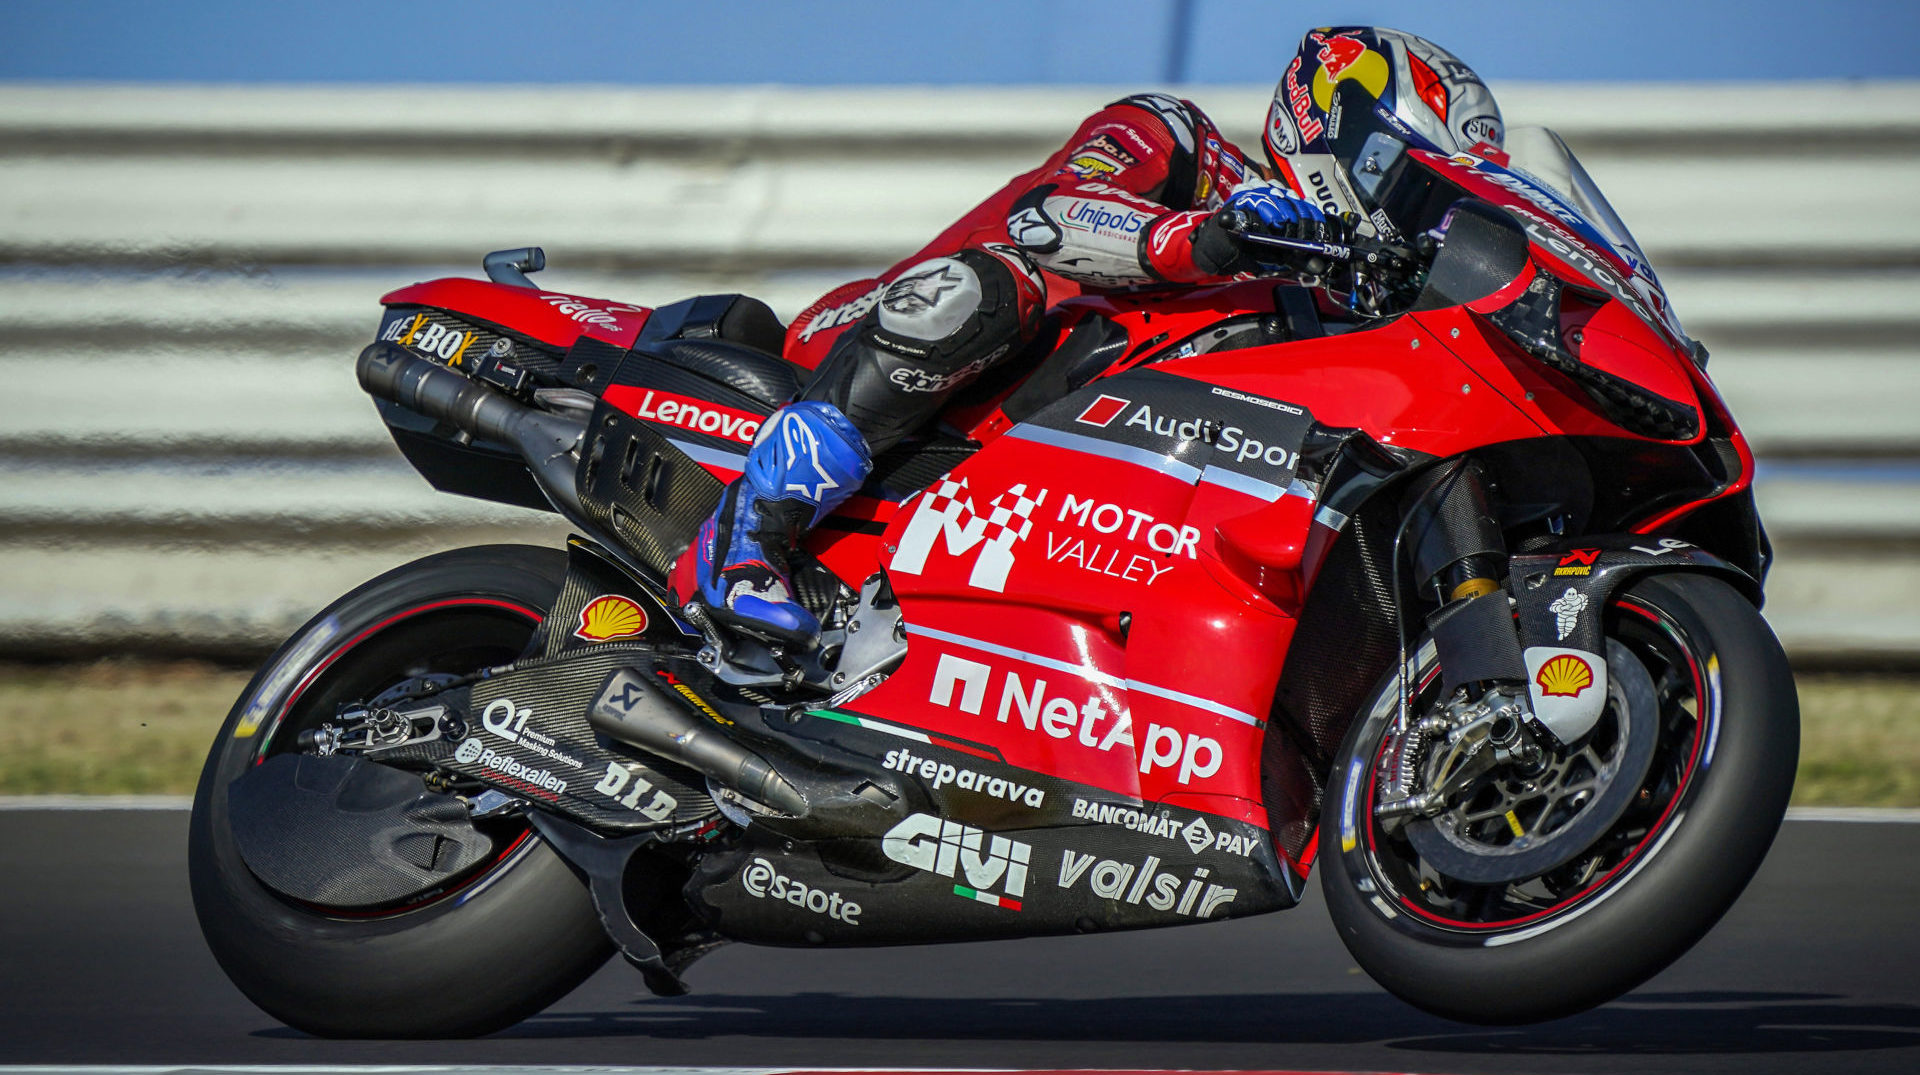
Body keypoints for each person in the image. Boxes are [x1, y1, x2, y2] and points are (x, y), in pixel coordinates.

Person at [690, 26, 1505, 648]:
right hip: (866, 352)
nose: (1420, 218)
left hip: (1049, 490)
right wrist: (1207, 239)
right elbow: (1043, 217)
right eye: (1412, 182)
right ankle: (745, 537)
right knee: (993, 285)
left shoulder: (1342, 301)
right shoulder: (1183, 143)